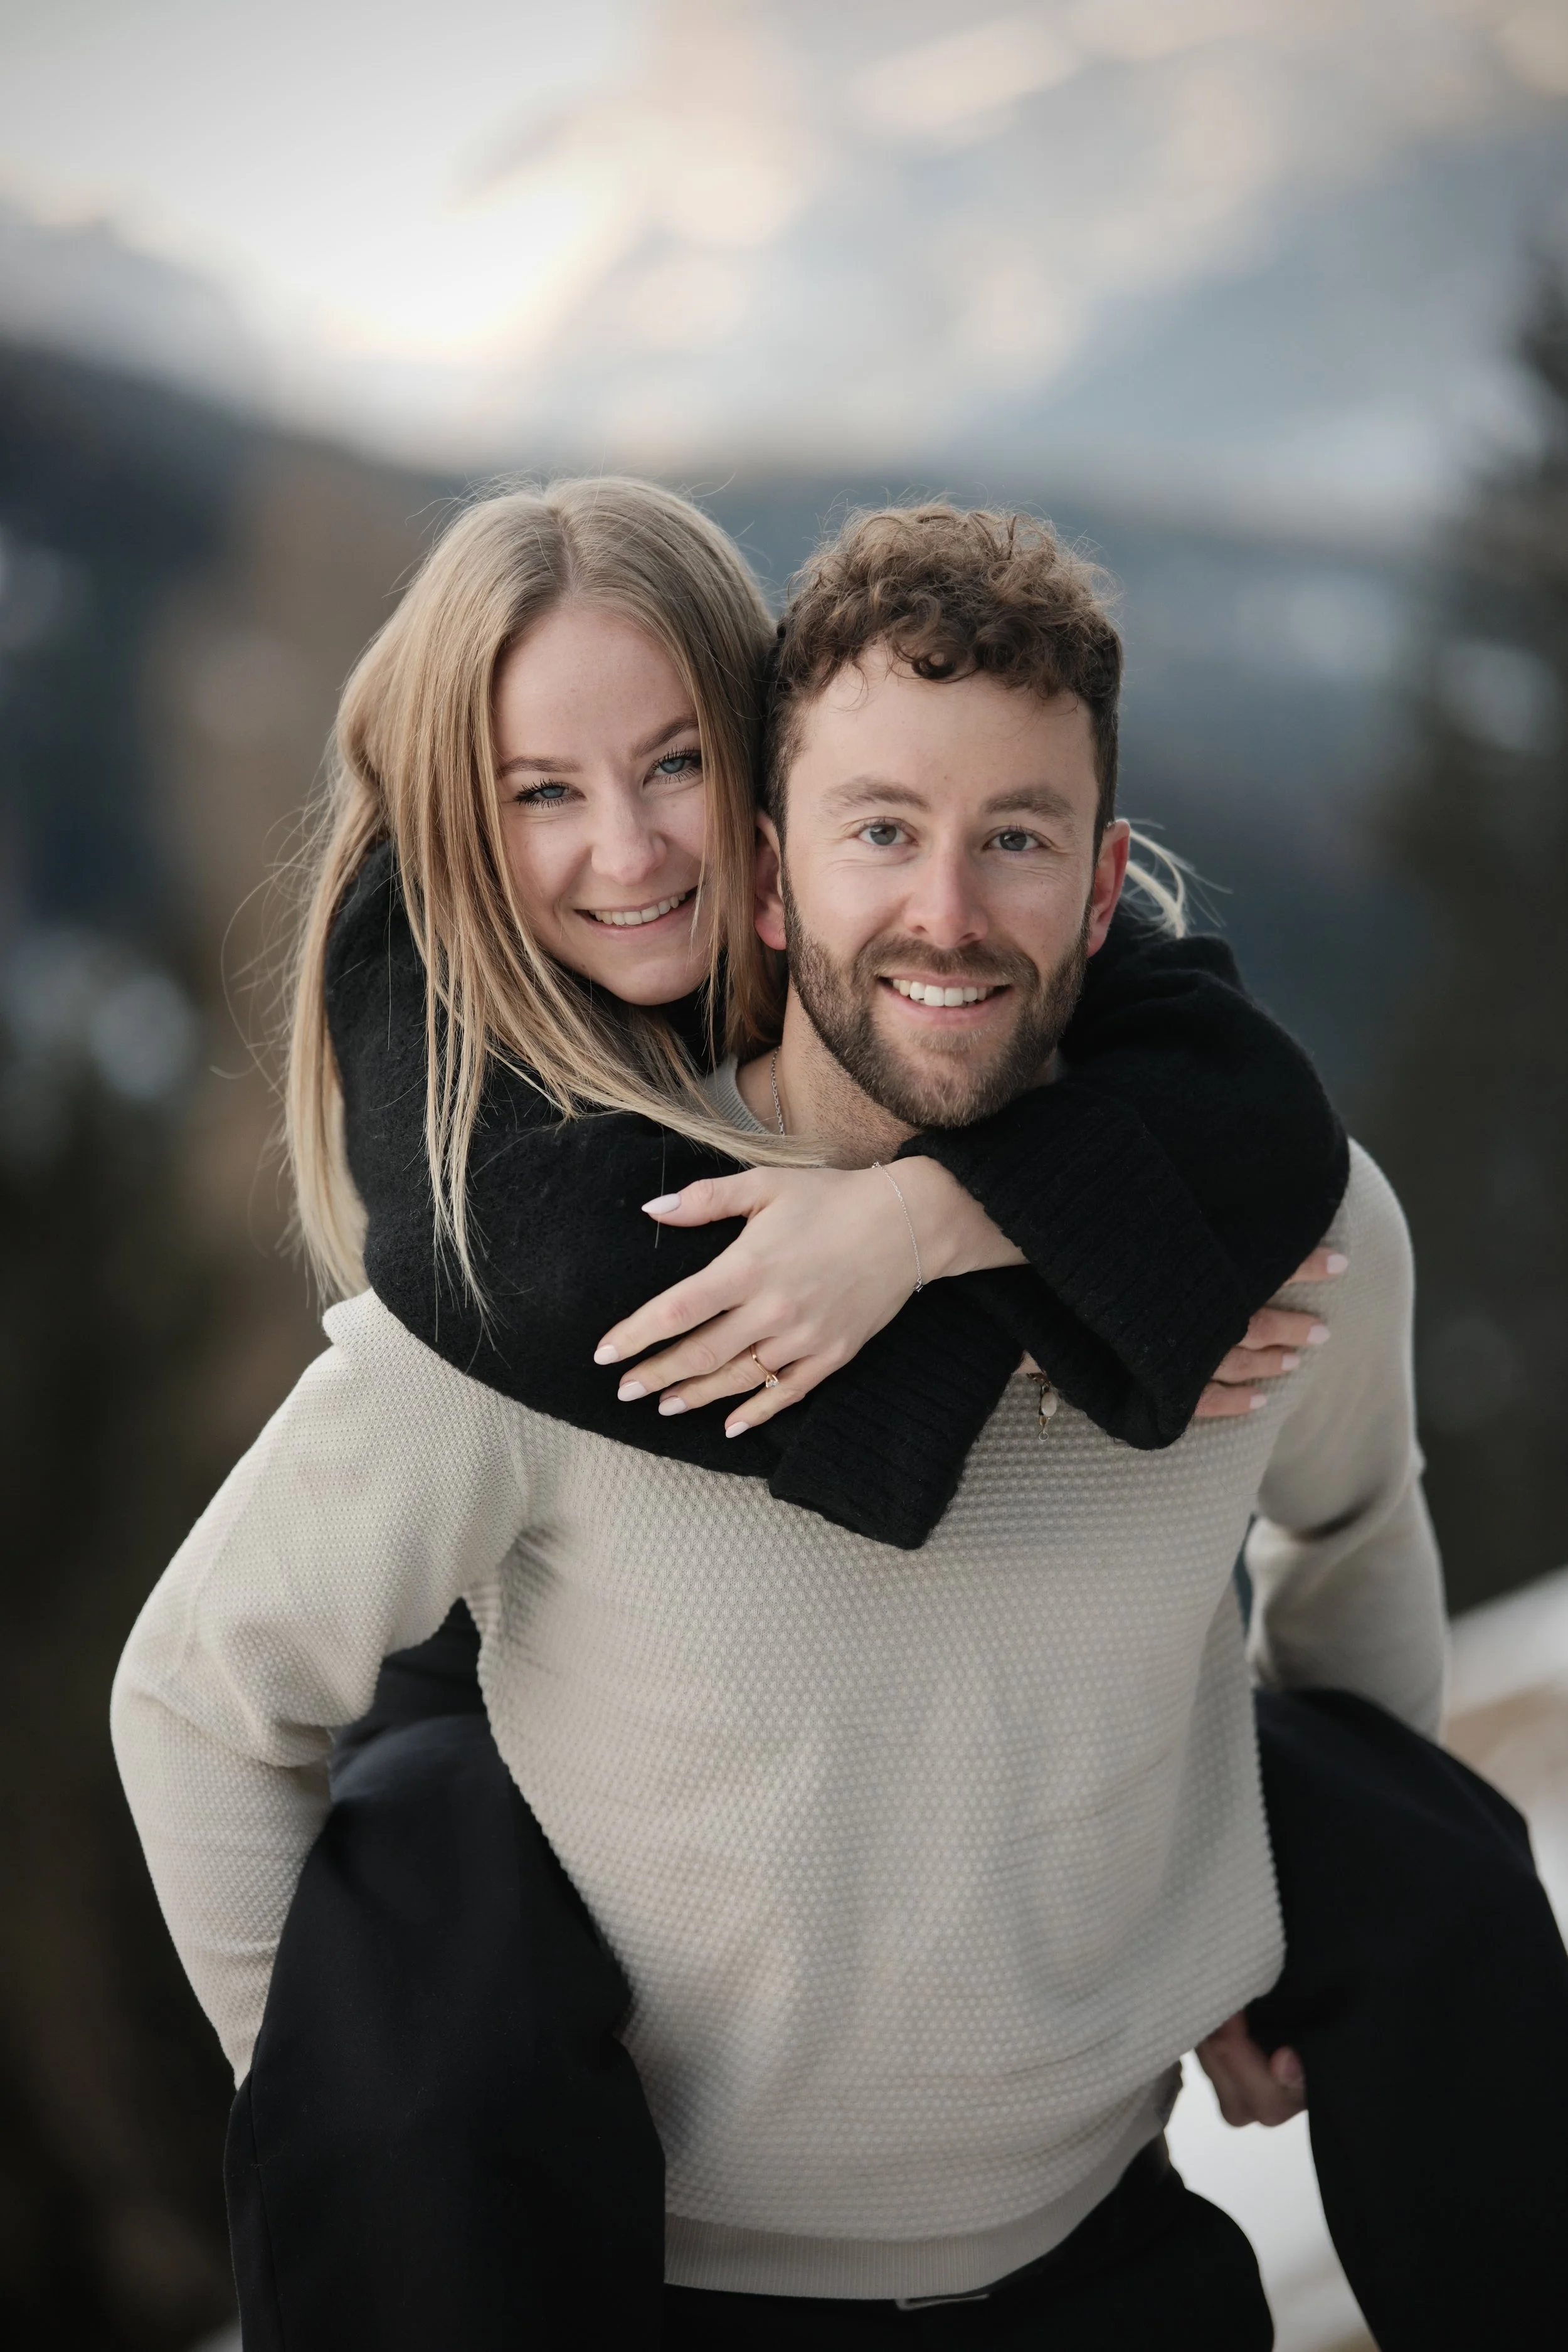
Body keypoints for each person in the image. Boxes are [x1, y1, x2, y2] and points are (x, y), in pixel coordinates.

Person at [115, 490, 1568, 2349]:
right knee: (427, 1830)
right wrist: (351, 2118)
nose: (944, 907)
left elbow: (1347, 1518)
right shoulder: (534, 1271)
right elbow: (196, 1700)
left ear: (1101, 875)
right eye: (882, 829)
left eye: (1014, 839)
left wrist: (1262, 1912)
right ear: (791, 866)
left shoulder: (1257, 1233)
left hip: (1113, 2265)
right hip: (684, 2293)